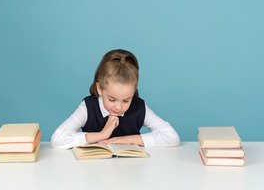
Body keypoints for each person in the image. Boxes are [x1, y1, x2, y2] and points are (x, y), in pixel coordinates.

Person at [51, 49, 180, 149]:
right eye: (112, 99)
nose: (118, 107)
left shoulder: (139, 107)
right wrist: (101, 135)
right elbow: (58, 138)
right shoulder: (88, 106)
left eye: (126, 100)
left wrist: (128, 140)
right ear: (100, 89)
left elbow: (172, 137)